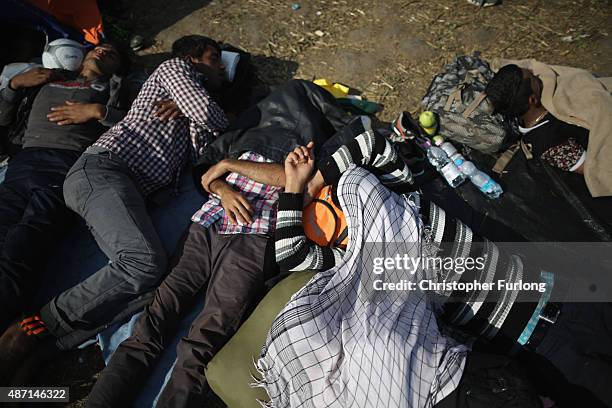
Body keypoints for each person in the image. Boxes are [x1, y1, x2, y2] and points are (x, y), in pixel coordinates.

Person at [275, 132, 612, 406]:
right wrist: (294, 191)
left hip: (570, 297)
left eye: (344, 212)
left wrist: (308, 183)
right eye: (342, 234)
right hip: (544, 353)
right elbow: (290, 255)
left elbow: (371, 144)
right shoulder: (377, 272)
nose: (356, 227)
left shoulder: (412, 204)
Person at [85, 81, 356, 408]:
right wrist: (221, 186)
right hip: (206, 226)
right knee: (150, 327)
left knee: (203, 342)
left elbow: (294, 180)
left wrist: (229, 167)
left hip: (255, 240)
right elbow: (205, 177)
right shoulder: (242, 135)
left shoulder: (313, 152)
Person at [0, 35, 229, 383]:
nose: (221, 67)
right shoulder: (175, 68)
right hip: (101, 169)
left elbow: (205, 138)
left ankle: (43, 352)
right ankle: (31, 329)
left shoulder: (159, 98)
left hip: (114, 185)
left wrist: (189, 112)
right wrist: (194, 108)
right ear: (193, 57)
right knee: (143, 262)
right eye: (215, 58)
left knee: (155, 279)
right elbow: (214, 118)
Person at [0, 42, 127, 334]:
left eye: (113, 53)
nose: (103, 51)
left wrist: (99, 111)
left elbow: (138, 125)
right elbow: (2, 119)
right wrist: (13, 85)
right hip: (24, 163)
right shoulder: (45, 78)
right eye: (98, 47)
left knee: (24, 243)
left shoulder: (114, 89)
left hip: (68, 169)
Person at [485, 64, 589, 174]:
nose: (534, 73)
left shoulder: (519, 115)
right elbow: (593, 169)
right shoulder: (551, 143)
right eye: (533, 77)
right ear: (533, 100)